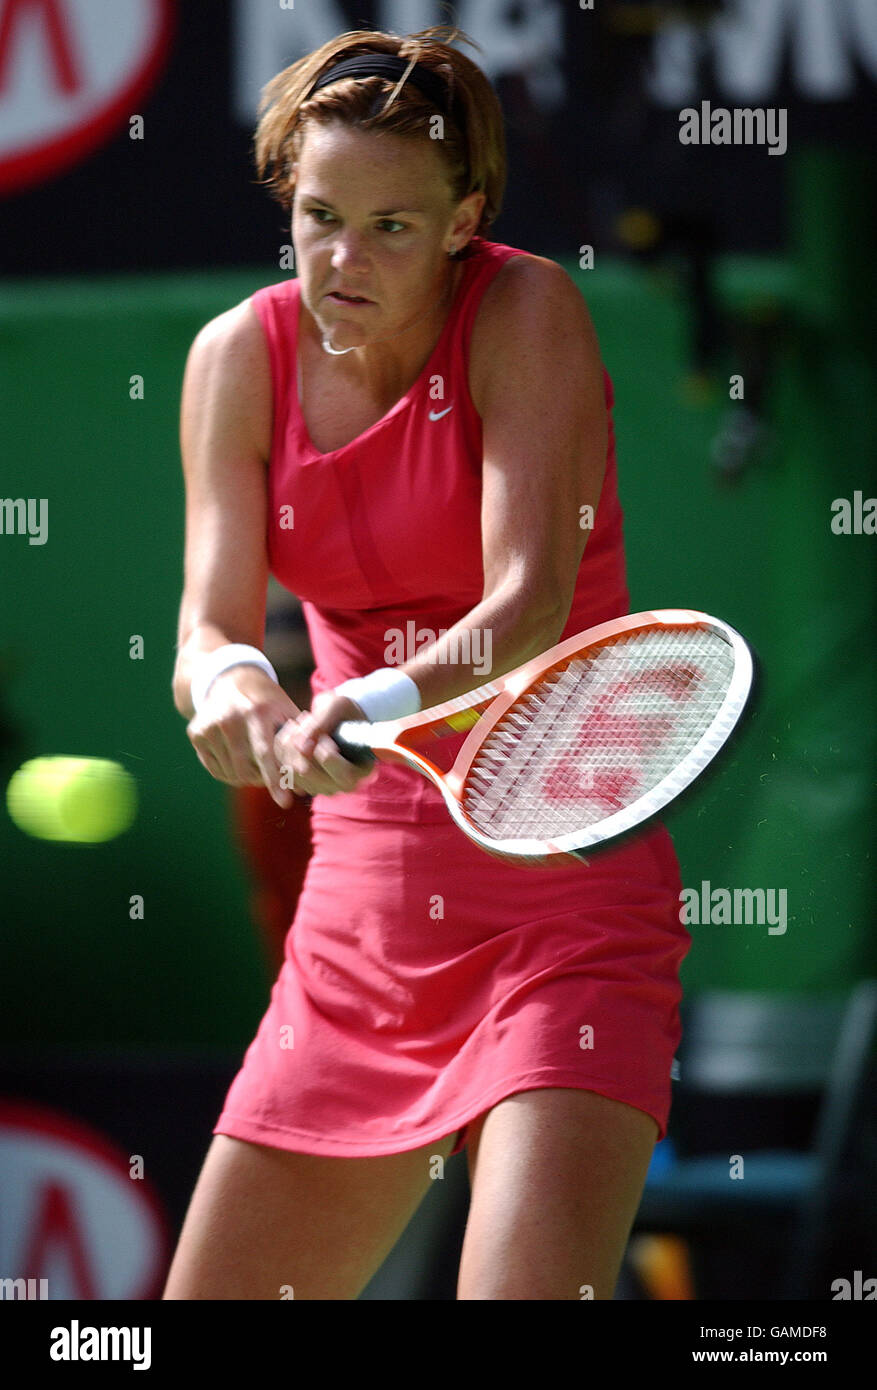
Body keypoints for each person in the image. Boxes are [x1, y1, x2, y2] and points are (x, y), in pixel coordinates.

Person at [164, 23, 690, 1301]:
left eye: (392, 228)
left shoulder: (526, 310)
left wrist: (370, 697)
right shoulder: (237, 355)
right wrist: (236, 688)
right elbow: (208, 628)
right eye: (318, 216)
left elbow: (528, 601)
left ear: (464, 221)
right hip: (363, 911)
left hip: (565, 886)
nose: (343, 259)